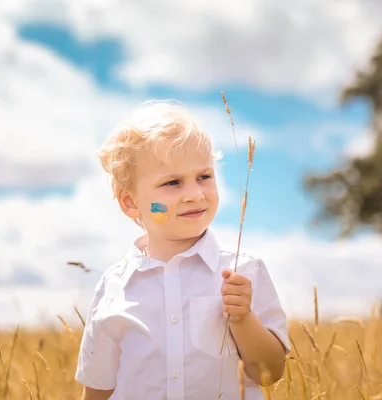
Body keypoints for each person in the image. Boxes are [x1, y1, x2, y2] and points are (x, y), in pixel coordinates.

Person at [75, 100, 290, 400]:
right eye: (173, 182)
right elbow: (98, 386)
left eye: (204, 176)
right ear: (130, 202)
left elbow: (271, 371)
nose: (194, 194)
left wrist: (243, 319)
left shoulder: (243, 269)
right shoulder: (114, 287)